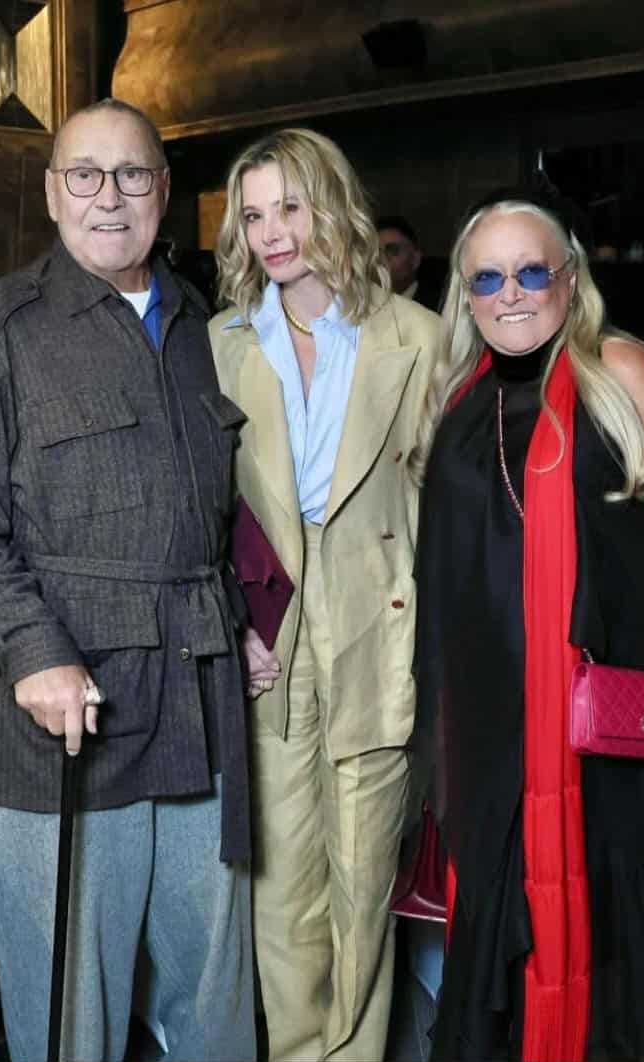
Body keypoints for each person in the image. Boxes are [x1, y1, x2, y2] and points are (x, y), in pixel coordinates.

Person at [0, 97, 256, 1062]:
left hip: (199, 691)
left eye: (132, 174)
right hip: (65, 708)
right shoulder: (2, 325)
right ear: (50, 192)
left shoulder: (202, 322)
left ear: (165, 189)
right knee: (69, 1002)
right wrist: (33, 655)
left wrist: (244, 617)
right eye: (85, 175)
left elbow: (229, 506)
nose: (108, 197)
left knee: (214, 992)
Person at [411, 188, 644, 1062]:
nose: (511, 295)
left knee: (625, 957)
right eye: (487, 278)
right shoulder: (458, 399)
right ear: (463, 293)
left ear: (570, 278)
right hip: (492, 742)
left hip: (610, 734)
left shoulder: (621, 369)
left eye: (532, 272)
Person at [209, 128, 441, 1062]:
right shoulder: (222, 342)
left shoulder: (417, 337)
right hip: (269, 630)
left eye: (290, 207)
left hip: (379, 624)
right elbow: (203, 502)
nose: (271, 232)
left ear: (333, 205)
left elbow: (437, 504)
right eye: (253, 214)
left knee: (364, 884)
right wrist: (232, 616)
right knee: (281, 895)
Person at [377, 214, 443, 312]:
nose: (382, 257)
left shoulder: (439, 307)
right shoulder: (364, 306)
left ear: (415, 259)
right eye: (376, 251)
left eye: (392, 250)